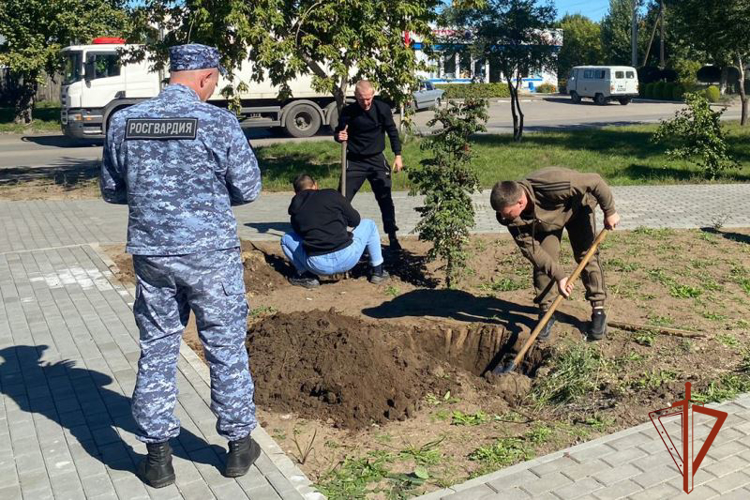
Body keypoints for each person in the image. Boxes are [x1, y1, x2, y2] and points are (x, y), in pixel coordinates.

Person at [101, 43, 262, 488]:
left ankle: (157, 459)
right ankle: (237, 448)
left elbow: (112, 190)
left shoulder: (125, 121)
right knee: (224, 347)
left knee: (157, 347)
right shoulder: (218, 122)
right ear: (206, 78)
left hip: (153, 255)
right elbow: (248, 189)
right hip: (211, 256)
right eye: (215, 82)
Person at [490, 167, 621, 342]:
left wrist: (610, 212)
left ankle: (598, 310)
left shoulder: (554, 184)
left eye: (505, 213)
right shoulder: (512, 218)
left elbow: (595, 181)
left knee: (586, 256)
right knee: (545, 263)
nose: (502, 217)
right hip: (543, 223)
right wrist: (560, 276)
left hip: (577, 209)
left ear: (520, 202)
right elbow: (533, 252)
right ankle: (546, 312)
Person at [280, 173, 389, 288]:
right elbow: (355, 221)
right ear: (315, 185)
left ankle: (307, 276)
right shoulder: (331, 194)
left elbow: (300, 234)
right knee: (369, 224)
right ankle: (378, 271)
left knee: (286, 239)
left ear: (296, 192)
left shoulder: (295, 209)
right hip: (347, 258)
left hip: (317, 265)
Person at [334, 80, 403, 250]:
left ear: (373, 94)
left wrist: (398, 155)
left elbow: (392, 132)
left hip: (376, 159)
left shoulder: (382, 109)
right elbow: (339, 131)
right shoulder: (348, 112)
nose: (366, 102)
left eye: (368, 98)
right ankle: (337, 235)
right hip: (355, 161)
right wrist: (339, 136)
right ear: (356, 96)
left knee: (385, 198)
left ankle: (392, 235)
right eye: (362, 99)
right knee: (341, 199)